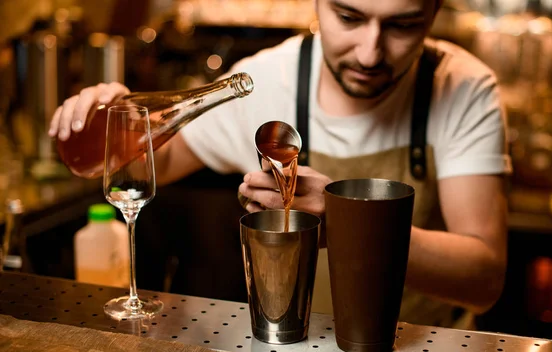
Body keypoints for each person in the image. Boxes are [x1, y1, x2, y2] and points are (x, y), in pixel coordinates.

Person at [48, 0, 512, 328]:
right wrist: (105, 119)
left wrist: (351, 223)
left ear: (434, 12)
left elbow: (483, 279)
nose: (371, 53)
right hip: (294, 349)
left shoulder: (462, 89)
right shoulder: (268, 79)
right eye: (349, 16)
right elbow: (153, 163)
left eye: (403, 25)